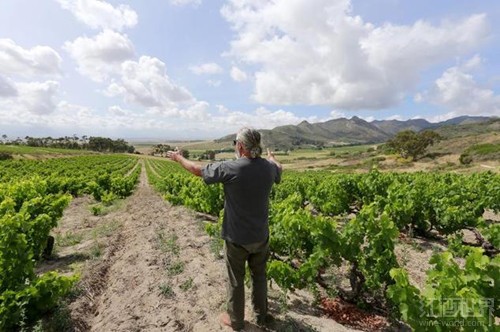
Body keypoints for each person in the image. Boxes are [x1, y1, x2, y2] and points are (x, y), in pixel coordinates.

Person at [166, 127, 282, 331]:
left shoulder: (232, 168)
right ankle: (261, 316)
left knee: (236, 280)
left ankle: (236, 321)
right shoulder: (268, 168)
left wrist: (177, 158)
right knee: (260, 276)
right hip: (261, 236)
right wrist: (272, 157)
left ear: (239, 146)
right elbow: (278, 166)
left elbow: (197, 169)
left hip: (237, 238)